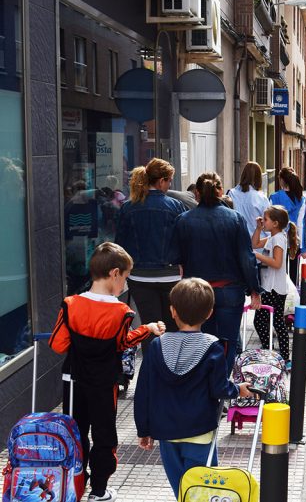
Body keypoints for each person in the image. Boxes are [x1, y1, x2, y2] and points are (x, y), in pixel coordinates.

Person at [49, 242, 166, 502]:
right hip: (104, 383)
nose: (124, 283)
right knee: (104, 434)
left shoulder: (70, 304)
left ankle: (74, 486)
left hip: (73, 380)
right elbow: (122, 344)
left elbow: (58, 344)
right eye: (124, 277)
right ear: (114, 273)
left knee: (75, 432)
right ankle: (99, 490)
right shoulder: (122, 312)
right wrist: (146, 329)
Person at [133, 278, 253, 499]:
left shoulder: (158, 346)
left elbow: (143, 391)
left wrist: (144, 429)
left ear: (173, 311)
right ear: (209, 313)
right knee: (203, 490)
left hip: (166, 433)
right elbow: (218, 388)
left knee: (182, 490)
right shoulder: (213, 347)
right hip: (200, 432)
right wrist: (238, 390)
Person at [171, 172, 263, 374]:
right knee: (227, 343)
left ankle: (203, 387)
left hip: (196, 292)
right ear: (220, 191)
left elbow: (174, 257)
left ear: (197, 193)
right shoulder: (235, 219)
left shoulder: (183, 220)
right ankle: (220, 389)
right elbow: (247, 259)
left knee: (199, 343)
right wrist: (254, 289)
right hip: (229, 291)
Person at [115, 158, 186, 353]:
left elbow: (119, 245)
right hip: (170, 275)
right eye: (169, 180)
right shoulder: (175, 206)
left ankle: (151, 372)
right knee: (171, 326)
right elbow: (183, 239)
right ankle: (170, 371)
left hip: (139, 276)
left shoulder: (128, 207)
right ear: (161, 180)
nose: (169, 185)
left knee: (149, 326)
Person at [252, 206, 298, 364]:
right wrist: (258, 228)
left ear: (275, 223)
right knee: (275, 322)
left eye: (265, 219)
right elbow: (255, 243)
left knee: (263, 321)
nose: (263, 221)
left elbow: (277, 263)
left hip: (273, 288)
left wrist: (257, 256)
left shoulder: (278, 239)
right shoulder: (273, 237)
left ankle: (274, 353)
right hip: (272, 286)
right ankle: (281, 356)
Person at [269, 168, 306, 284]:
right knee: (294, 274)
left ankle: (281, 298)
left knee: (280, 273)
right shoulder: (301, 199)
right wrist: (303, 248)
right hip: (294, 239)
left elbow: (269, 222)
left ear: (282, 181)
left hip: (278, 240)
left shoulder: (274, 197)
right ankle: (293, 298)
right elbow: (301, 225)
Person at [227, 162, 270, 242]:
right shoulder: (261, 198)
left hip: (237, 242)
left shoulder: (231, 194)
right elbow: (268, 224)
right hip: (257, 245)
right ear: (258, 178)